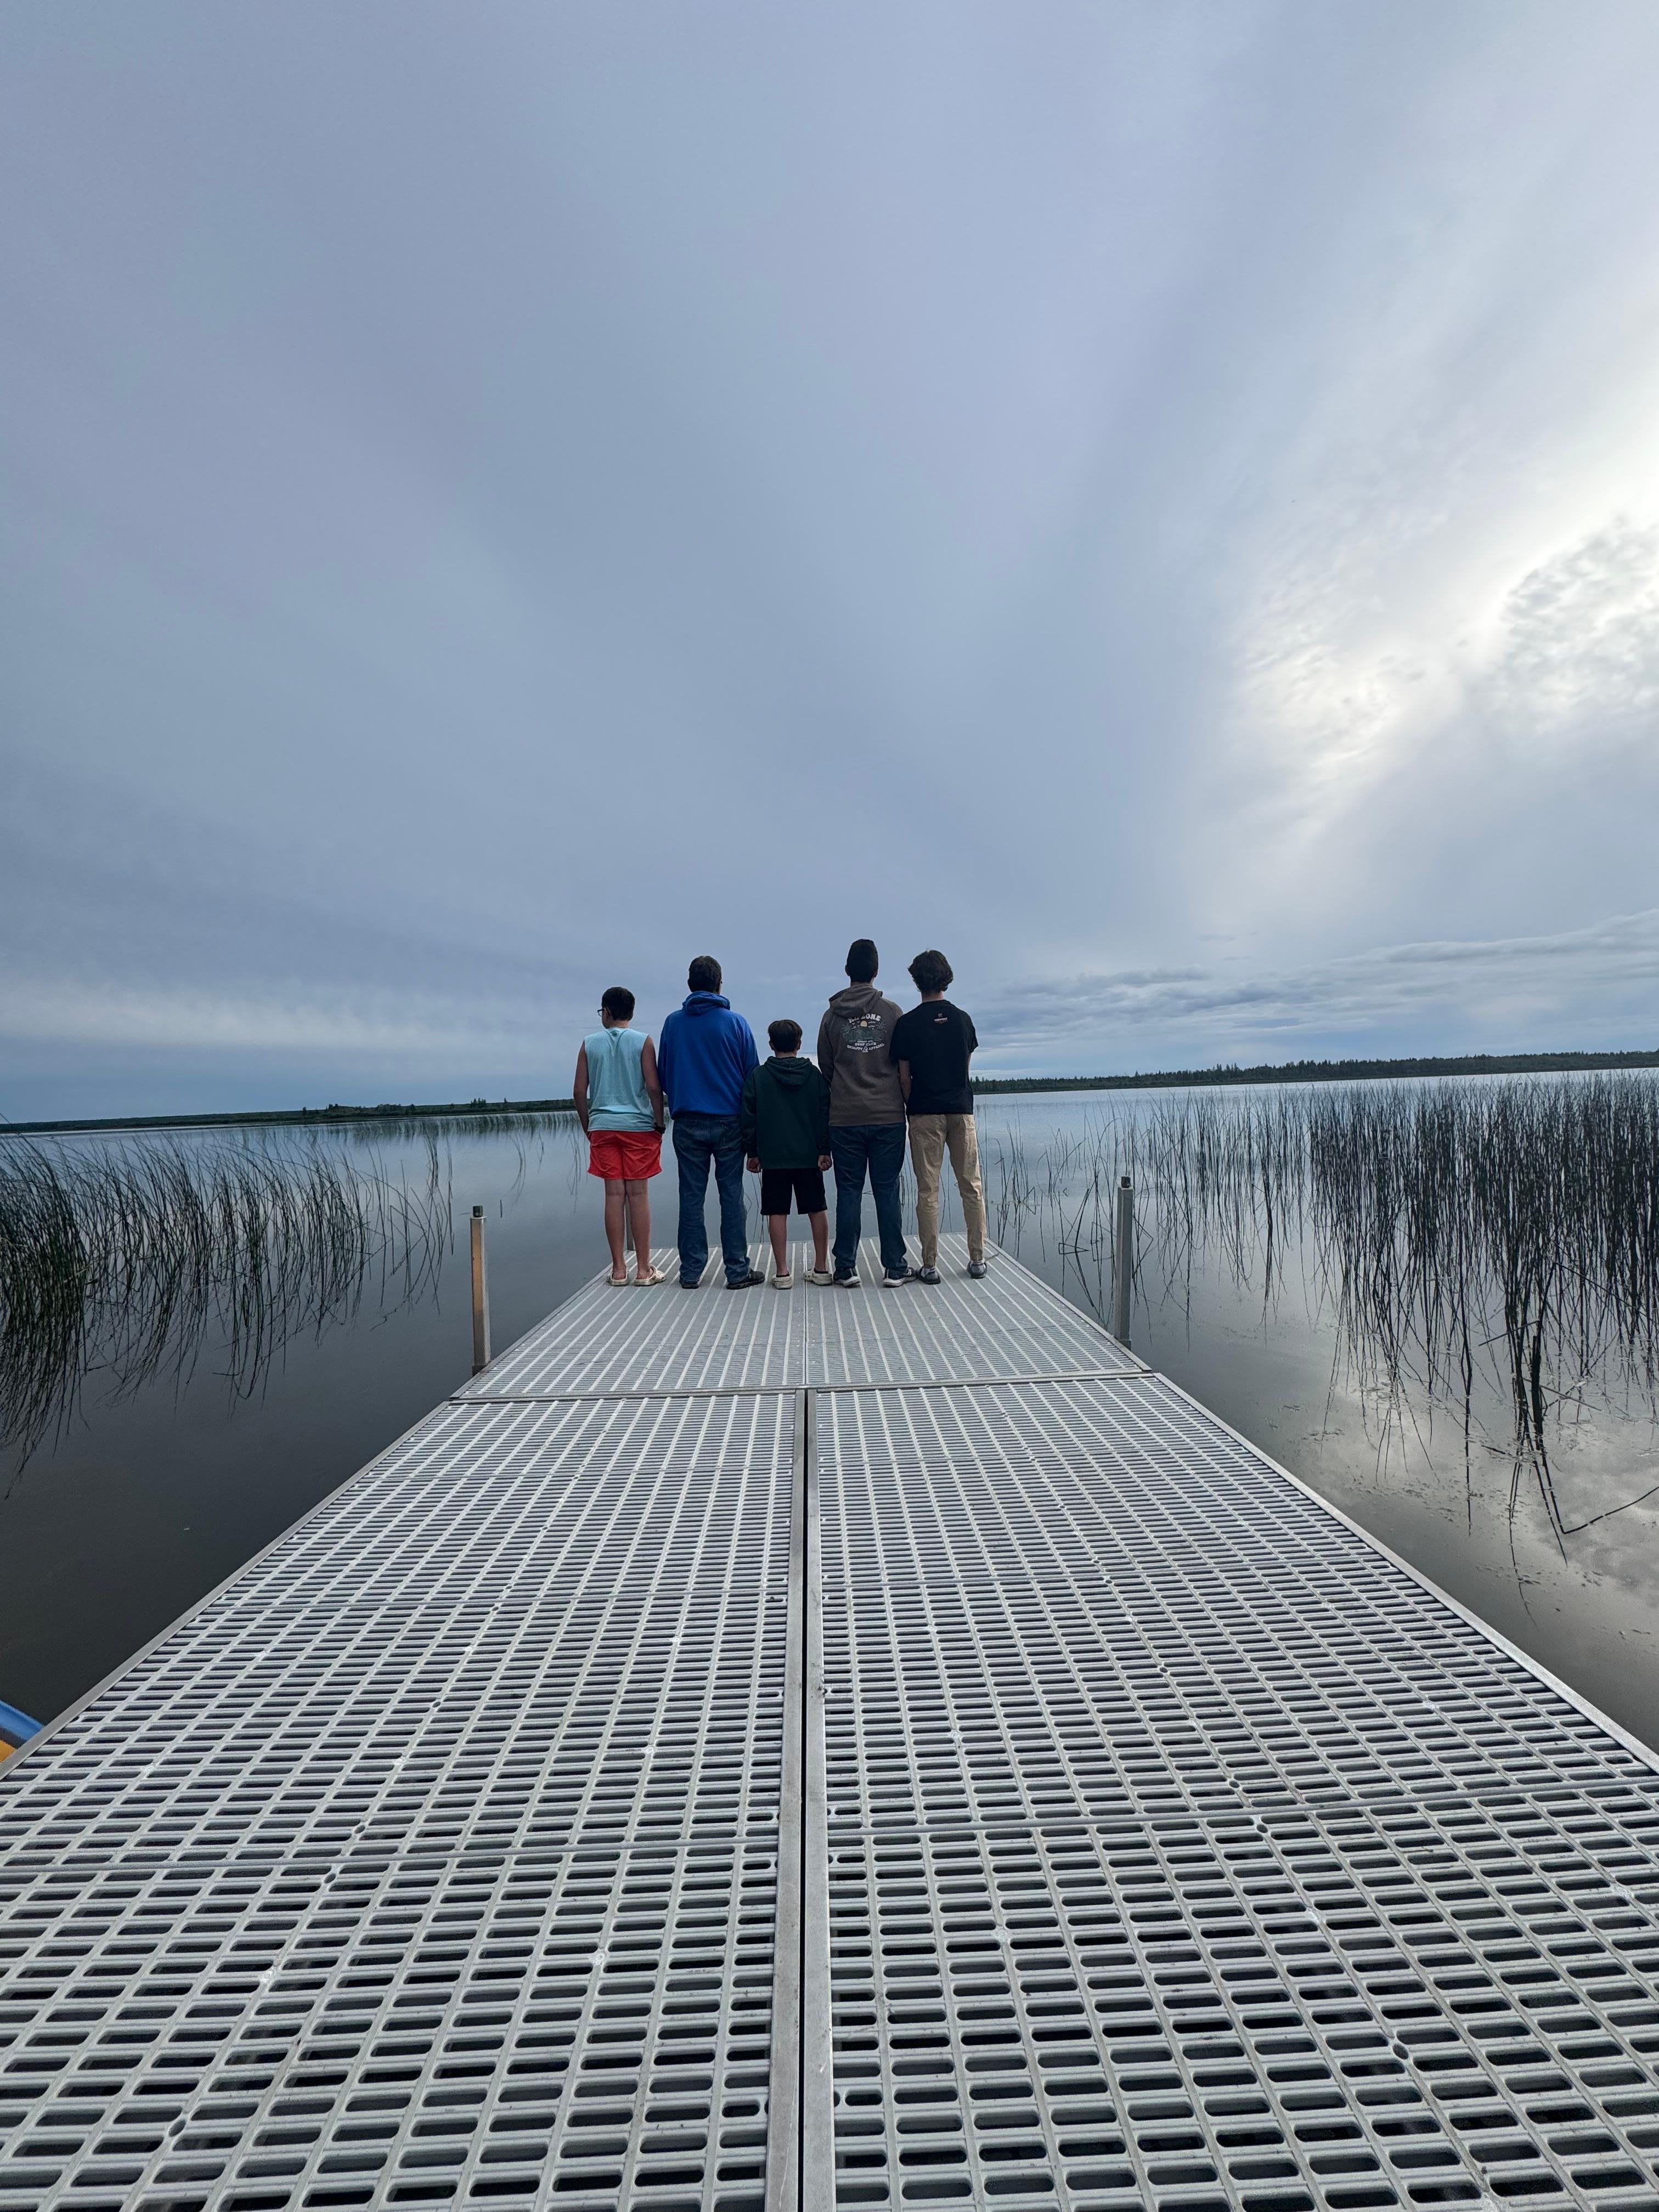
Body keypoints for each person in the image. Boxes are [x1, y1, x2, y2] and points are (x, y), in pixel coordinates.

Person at [658, 955, 764, 1289]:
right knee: (731, 1196)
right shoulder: (736, 1024)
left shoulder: (673, 1024)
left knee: (690, 1197)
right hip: (730, 1123)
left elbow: (663, 1075)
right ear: (719, 984)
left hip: (687, 1122)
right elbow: (753, 1079)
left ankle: (690, 1273)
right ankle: (737, 1271)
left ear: (690, 985)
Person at [816, 938, 912, 1288]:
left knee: (849, 1191)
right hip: (888, 1116)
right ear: (875, 971)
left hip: (844, 1118)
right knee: (888, 1191)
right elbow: (904, 1065)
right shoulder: (893, 1013)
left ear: (847, 971)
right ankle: (895, 1268)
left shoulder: (830, 1017)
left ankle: (845, 1268)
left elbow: (826, 1068)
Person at [891, 948, 989, 1281]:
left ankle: (930, 1265)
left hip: (924, 1112)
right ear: (946, 977)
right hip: (961, 1110)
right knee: (971, 1186)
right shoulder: (963, 1019)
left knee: (927, 1189)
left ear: (917, 980)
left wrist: (910, 1104)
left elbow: (904, 1076)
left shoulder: (907, 1024)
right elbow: (965, 1067)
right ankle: (978, 1260)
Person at [573, 986, 667, 1286]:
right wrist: (659, 1121)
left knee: (614, 1195)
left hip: (603, 1126)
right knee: (638, 1195)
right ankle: (643, 1269)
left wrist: (589, 1125)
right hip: (639, 1127)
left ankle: (617, 1270)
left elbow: (579, 1092)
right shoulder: (644, 1042)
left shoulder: (589, 1044)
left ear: (608, 1012)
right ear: (631, 1012)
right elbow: (654, 1088)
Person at [741, 1020, 834, 1288]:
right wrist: (824, 1149)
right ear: (800, 1044)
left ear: (771, 1044)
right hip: (809, 1156)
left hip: (773, 1158)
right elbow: (824, 1114)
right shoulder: (815, 1076)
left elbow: (749, 1118)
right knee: (818, 1209)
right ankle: (821, 1268)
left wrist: (753, 1153)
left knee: (777, 1212)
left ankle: (782, 1273)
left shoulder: (758, 1077)